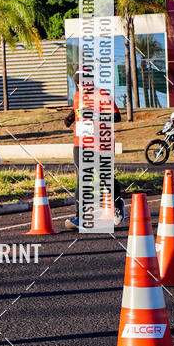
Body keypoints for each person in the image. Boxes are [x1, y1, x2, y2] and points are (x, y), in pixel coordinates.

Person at [64, 66, 124, 229]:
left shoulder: (102, 94)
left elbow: (117, 117)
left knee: (105, 178)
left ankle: (118, 204)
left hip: (101, 144)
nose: (80, 86)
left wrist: (95, 115)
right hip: (81, 143)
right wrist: (70, 117)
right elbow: (77, 111)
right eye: (77, 82)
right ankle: (80, 218)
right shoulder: (77, 96)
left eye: (83, 82)